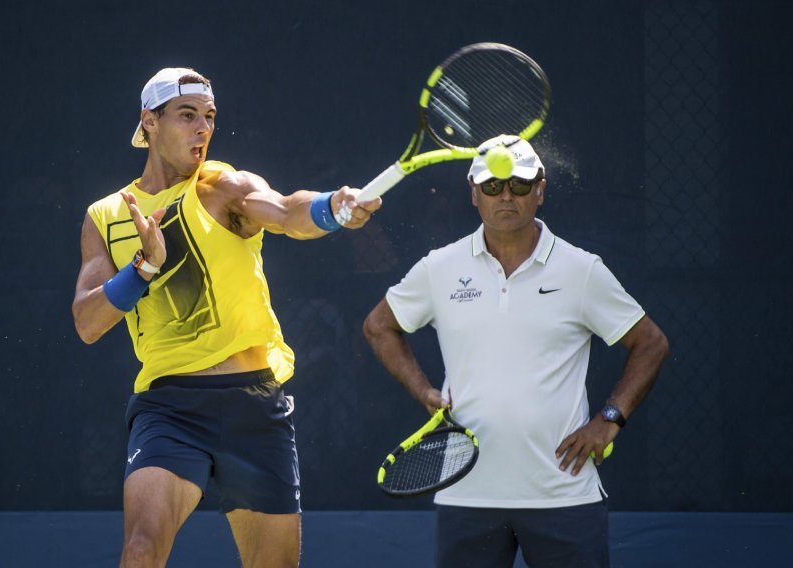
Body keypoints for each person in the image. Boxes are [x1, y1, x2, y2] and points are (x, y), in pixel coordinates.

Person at [72, 67, 381, 568]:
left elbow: (285, 211)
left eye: (210, 116)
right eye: (187, 115)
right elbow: (87, 323)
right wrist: (143, 268)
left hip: (253, 406)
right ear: (149, 121)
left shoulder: (221, 185)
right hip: (168, 408)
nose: (203, 128)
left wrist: (331, 207)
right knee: (142, 549)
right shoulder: (106, 215)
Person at [363, 134, 669, 568]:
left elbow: (651, 342)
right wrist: (424, 392)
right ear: (474, 193)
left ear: (540, 190)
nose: (506, 196)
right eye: (492, 186)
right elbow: (379, 326)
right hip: (467, 494)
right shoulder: (439, 268)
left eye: (520, 184)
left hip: (564, 495)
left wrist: (609, 419)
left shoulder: (581, 270)